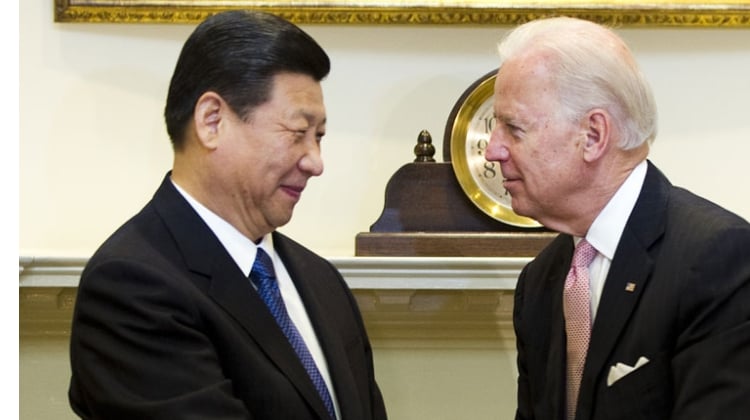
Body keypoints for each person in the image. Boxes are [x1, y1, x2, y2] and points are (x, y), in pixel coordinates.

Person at [68, 10, 387, 420]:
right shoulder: (130, 287)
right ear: (212, 121)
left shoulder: (321, 280)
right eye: (298, 133)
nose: (316, 162)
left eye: (319, 136)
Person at [484, 16, 750, 420]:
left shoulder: (717, 258)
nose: (492, 151)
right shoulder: (540, 281)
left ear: (593, 136)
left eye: (514, 129)